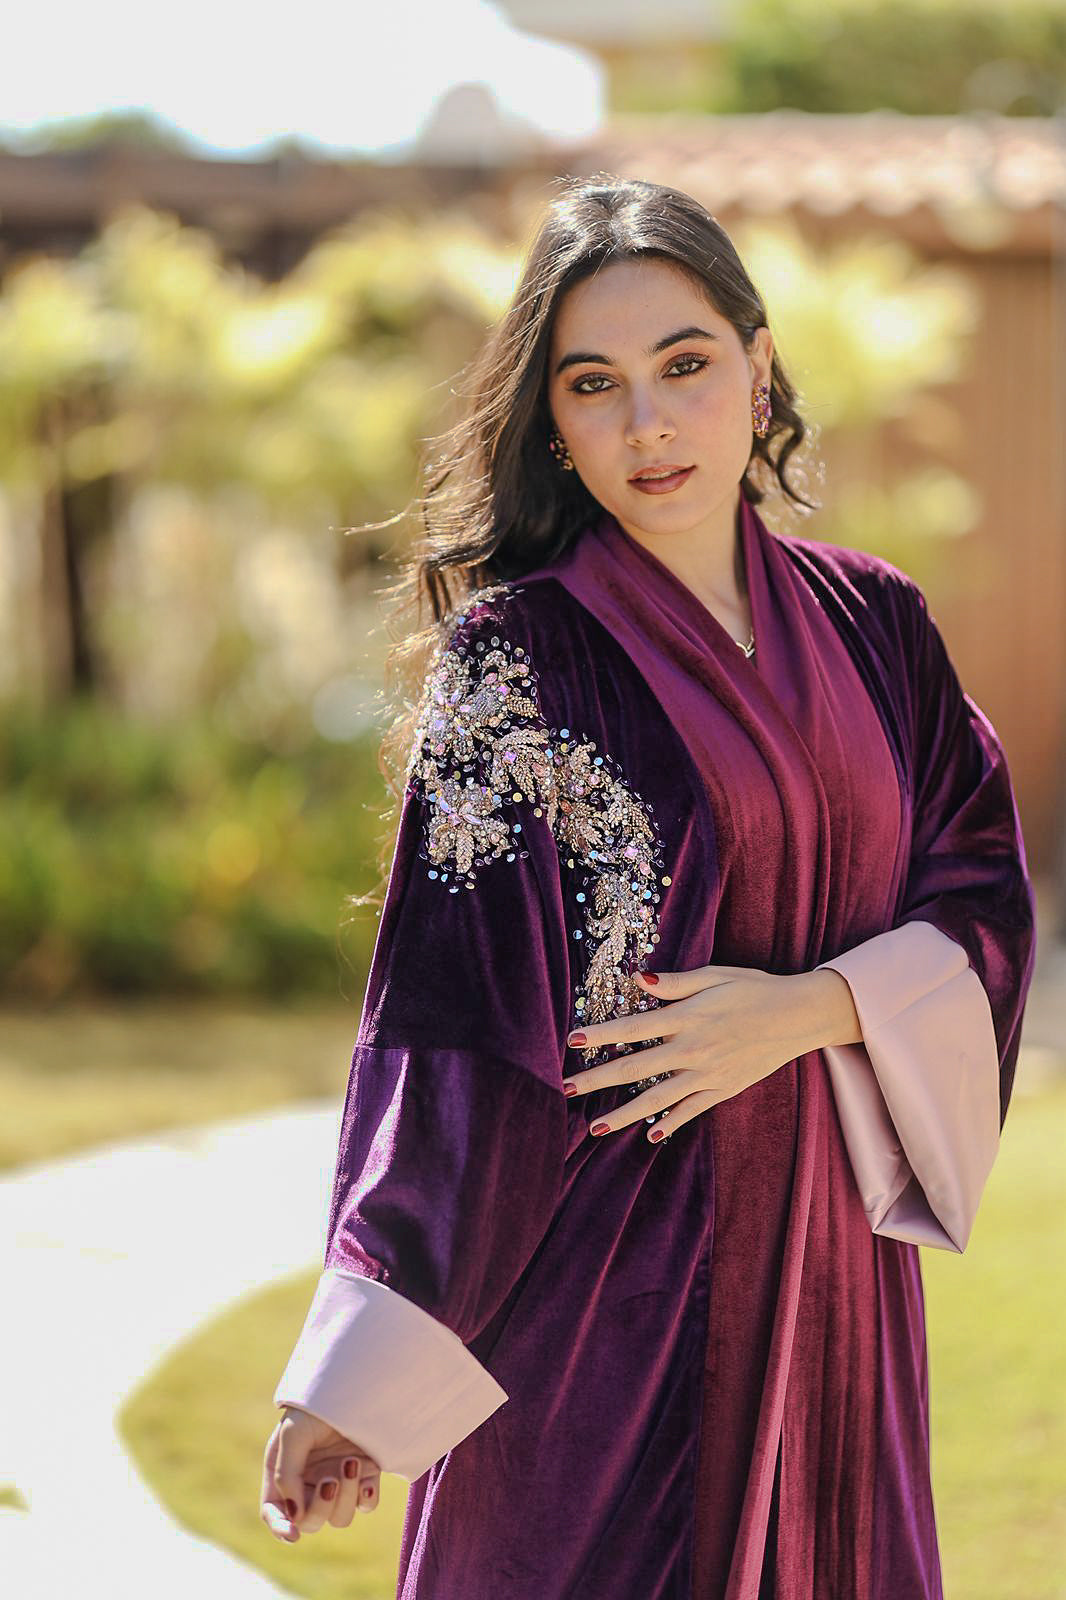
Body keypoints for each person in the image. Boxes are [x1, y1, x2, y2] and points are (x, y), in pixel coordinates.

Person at [258, 175, 1036, 1597]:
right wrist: (353, 1384)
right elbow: (450, 1036)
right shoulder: (517, 661)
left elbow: (979, 896)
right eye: (594, 385)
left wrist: (811, 1010)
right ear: (553, 423)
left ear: (757, 363)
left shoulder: (879, 628)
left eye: (684, 365)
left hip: (834, 1291)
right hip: (606, 1304)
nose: (648, 424)